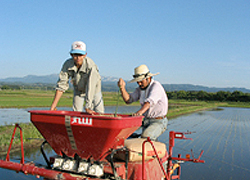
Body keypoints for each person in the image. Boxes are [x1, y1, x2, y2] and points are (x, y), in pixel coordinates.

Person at [50, 41, 104, 114]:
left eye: (80, 55)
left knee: (99, 113)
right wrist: (53, 106)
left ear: (85, 55)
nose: (78, 57)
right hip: (78, 90)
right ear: (71, 55)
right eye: (75, 55)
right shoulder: (67, 64)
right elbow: (61, 85)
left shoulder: (91, 66)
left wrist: (88, 106)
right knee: (76, 113)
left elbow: (91, 87)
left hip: (94, 90)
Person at [117, 64, 168, 141]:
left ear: (149, 78)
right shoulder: (140, 89)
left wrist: (139, 112)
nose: (139, 84)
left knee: (147, 136)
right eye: (138, 82)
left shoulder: (156, 86)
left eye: (141, 81)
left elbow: (149, 103)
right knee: (131, 136)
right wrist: (122, 88)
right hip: (146, 121)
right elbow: (128, 100)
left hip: (158, 121)